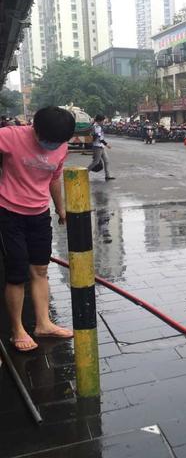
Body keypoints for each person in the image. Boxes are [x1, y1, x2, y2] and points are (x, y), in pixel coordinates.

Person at [0, 106, 76, 352]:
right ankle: (17, 329)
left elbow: (54, 178)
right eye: (49, 140)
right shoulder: (11, 136)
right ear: (35, 128)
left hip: (39, 214)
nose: (52, 146)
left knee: (41, 269)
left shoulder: (61, 146)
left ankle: (43, 324)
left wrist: (60, 209)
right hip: (9, 212)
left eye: (58, 142)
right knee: (17, 272)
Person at [87, 114, 115, 180]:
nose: (103, 122)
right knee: (96, 162)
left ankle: (107, 176)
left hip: (101, 146)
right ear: (99, 120)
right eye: (103, 120)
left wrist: (104, 145)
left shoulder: (99, 126)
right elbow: (99, 138)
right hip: (97, 146)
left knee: (106, 161)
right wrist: (106, 144)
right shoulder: (96, 127)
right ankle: (84, 173)